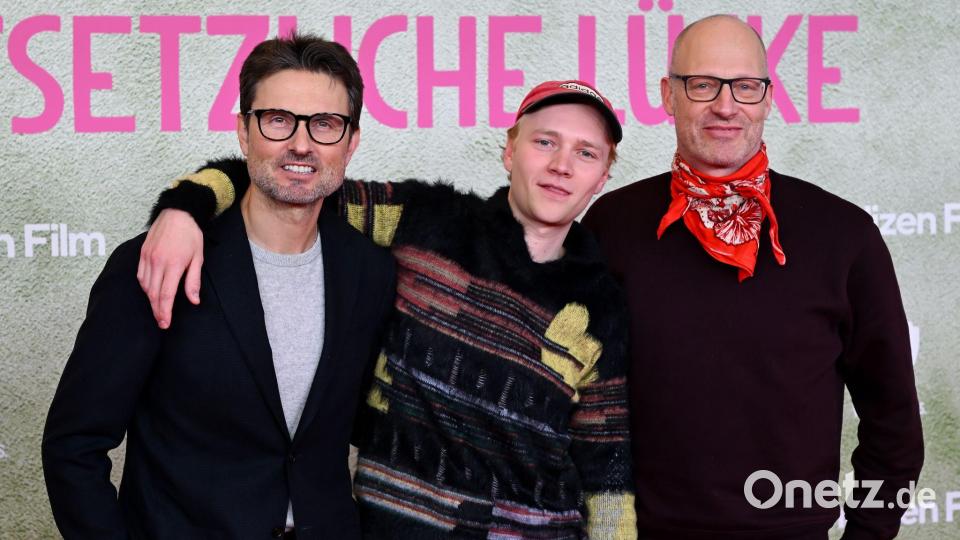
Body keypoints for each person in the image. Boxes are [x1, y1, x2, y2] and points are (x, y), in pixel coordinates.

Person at [132, 79, 636, 538]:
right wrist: (183, 209)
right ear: (510, 150)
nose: (561, 165)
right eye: (545, 141)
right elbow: (291, 183)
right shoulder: (424, 219)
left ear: (602, 177)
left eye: (585, 153)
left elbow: (607, 467)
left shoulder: (600, 305)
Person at [581, 15, 923, 539]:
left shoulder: (844, 234)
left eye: (745, 86)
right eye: (702, 85)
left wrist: (868, 534)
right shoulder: (613, 225)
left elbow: (894, 422)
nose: (725, 105)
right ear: (668, 96)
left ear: (767, 99)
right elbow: (572, 400)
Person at [42, 34, 396, 539]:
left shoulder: (369, 271)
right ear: (243, 132)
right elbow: (73, 446)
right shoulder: (159, 261)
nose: (301, 143)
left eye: (325, 124)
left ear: (351, 141)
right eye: (278, 120)